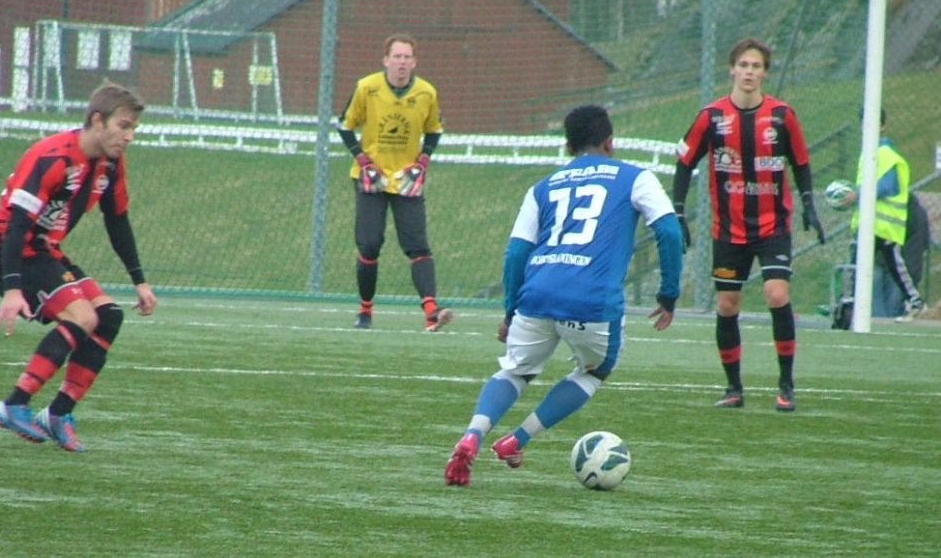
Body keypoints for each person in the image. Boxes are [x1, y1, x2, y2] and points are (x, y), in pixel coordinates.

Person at [444, 104, 682, 486]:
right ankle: (516, 440)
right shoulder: (636, 177)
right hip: (591, 302)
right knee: (594, 371)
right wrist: (668, 294)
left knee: (515, 371)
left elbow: (516, 253)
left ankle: (473, 433)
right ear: (610, 142)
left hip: (536, 295)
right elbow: (669, 231)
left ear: (568, 147)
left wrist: (511, 312)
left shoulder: (542, 187)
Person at [0, 81, 157, 452]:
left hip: (45, 251)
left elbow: (117, 219)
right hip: (10, 255)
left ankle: (58, 414)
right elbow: (16, 225)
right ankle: (14, 404)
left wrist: (139, 281)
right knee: (82, 317)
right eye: (123, 126)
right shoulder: (52, 157)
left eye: (133, 128)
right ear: (97, 120)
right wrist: (12, 288)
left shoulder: (110, 164)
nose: (129, 136)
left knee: (108, 316)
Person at [673, 37, 825, 413]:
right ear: (732, 69)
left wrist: (809, 205)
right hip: (729, 229)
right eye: (743, 65)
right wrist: (678, 211)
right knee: (728, 304)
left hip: (773, 225)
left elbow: (801, 163)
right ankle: (733, 388)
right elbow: (684, 163)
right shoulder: (711, 117)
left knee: (776, 294)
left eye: (756, 66)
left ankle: (786, 385)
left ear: (765, 73)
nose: (749, 72)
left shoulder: (782, 116)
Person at [337, 33, 452, 332]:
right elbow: (345, 125)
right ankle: (365, 310)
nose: (401, 62)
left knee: (418, 245)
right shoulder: (367, 87)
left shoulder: (426, 92)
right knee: (370, 243)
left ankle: (431, 311)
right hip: (372, 177)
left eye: (407, 57)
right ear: (385, 60)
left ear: (414, 62)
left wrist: (422, 162)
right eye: (396, 56)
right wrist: (363, 161)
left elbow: (434, 130)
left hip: (405, 180)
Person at [839, 109, 926, 323]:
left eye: (873, 122)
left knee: (894, 268)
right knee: (858, 266)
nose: (867, 127)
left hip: (883, 225)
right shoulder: (868, 154)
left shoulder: (886, 154)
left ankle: (915, 303)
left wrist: (857, 194)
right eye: (864, 123)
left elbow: (887, 186)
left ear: (882, 126)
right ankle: (848, 307)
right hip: (869, 224)